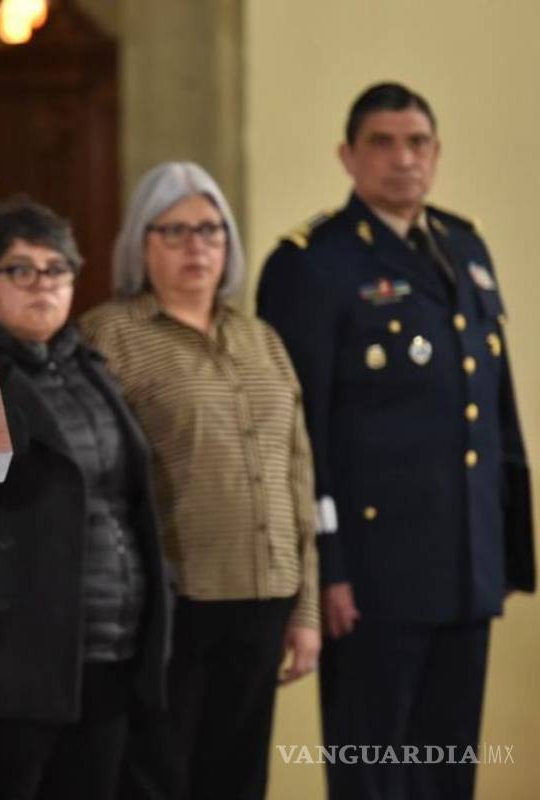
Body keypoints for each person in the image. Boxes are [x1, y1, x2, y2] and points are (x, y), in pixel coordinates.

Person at [258, 82, 534, 799]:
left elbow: (493, 405)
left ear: (436, 153)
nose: (403, 159)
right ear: (347, 156)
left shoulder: (463, 246)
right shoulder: (313, 262)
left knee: (449, 772)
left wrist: (506, 541)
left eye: (417, 143)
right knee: (373, 772)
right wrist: (329, 568)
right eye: (382, 143)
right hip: (372, 572)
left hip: (465, 560)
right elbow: (300, 434)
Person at [80, 162, 319, 800]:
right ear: (141, 243)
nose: (197, 247)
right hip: (172, 605)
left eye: (211, 230)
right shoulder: (111, 335)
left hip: (266, 595)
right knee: (159, 777)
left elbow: (298, 475)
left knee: (238, 779)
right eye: (175, 231)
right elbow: (101, 484)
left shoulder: (261, 339)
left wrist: (307, 610)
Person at [0, 199, 169, 800]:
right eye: (21, 270)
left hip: (113, 645)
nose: (43, 284)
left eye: (57, 269)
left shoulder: (87, 363)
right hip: (17, 660)